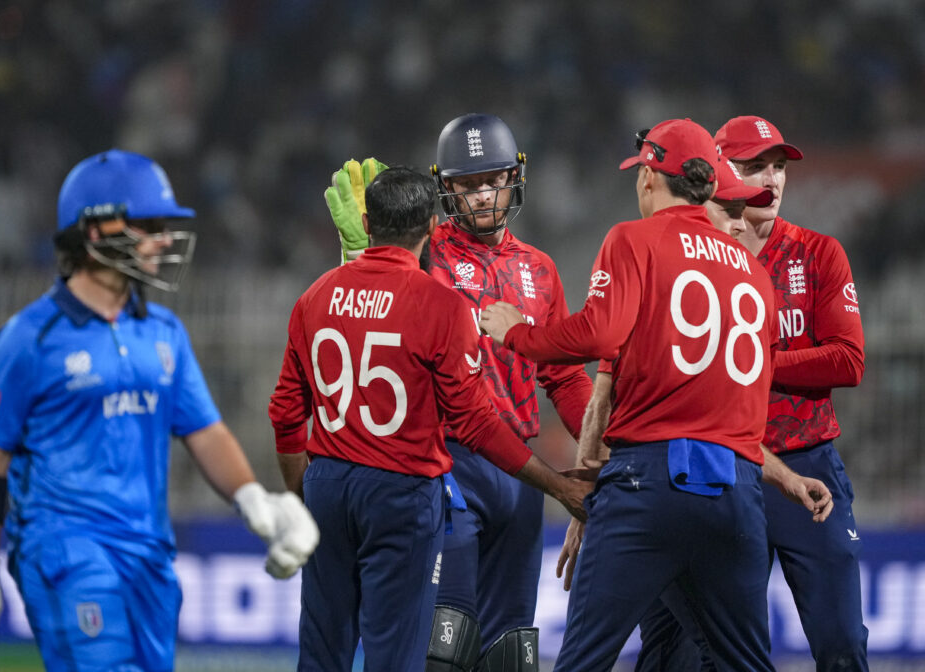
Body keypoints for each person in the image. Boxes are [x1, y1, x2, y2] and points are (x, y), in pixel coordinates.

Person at [0, 149, 320, 672]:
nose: (163, 240)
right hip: (65, 549)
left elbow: (204, 431)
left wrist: (254, 501)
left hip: (149, 555)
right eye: (149, 225)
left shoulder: (164, 332)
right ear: (95, 230)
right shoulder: (28, 338)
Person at [480, 118, 825, 671]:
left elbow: (597, 336)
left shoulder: (632, 240)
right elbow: (748, 406)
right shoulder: (755, 275)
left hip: (647, 488)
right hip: (735, 494)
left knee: (584, 660)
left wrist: (517, 333)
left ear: (647, 176)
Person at [269, 166, 590, 672]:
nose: (484, 194)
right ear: (431, 224)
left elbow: (287, 410)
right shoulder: (436, 292)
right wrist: (559, 482)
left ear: (368, 222)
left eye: (496, 180)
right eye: (468, 184)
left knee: (503, 652)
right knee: (427, 649)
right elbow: (474, 420)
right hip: (425, 477)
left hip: (339, 480)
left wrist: (299, 494)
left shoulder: (316, 296)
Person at [717, 115, 868, 670]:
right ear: (721, 172)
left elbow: (849, 360)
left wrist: (754, 364)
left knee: (843, 644)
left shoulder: (819, 253)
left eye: (778, 167)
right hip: (729, 472)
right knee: (718, 654)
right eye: (755, 166)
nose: (772, 179)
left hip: (811, 471)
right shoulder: (700, 261)